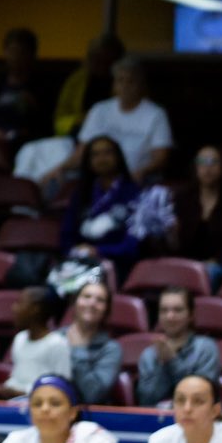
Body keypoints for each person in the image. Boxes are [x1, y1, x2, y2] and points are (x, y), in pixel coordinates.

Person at [69, 57, 173, 185]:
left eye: (131, 81)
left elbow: (161, 158)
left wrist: (142, 172)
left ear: (141, 85)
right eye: (120, 81)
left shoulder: (156, 114)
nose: (125, 86)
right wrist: (57, 170)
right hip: (98, 180)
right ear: (114, 85)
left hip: (138, 180)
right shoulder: (99, 110)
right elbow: (81, 152)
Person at [60, 136, 145, 278]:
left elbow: (133, 245)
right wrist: (74, 252)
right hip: (81, 263)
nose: (102, 158)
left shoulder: (134, 193)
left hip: (119, 265)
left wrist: (98, 250)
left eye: (108, 152)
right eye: (95, 154)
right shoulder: (81, 193)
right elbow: (67, 234)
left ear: (118, 157)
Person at [173, 146, 222, 289]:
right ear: (195, 167)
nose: (208, 167)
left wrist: (217, 260)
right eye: (202, 161)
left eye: (213, 161)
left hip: (221, 263)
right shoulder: (183, 199)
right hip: (187, 262)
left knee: (209, 273)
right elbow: (176, 246)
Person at [138, 286, 222, 408]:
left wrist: (172, 362)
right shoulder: (149, 354)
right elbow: (146, 400)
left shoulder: (206, 348)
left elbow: (198, 396)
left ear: (191, 315)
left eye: (177, 310)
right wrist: (162, 365)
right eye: (164, 310)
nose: (170, 316)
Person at [0, 26, 50, 146]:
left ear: (32, 54)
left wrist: (34, 106)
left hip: (27, 143)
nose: (16, 57)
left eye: (22, 52)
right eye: (12, 51)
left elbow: (47, 125)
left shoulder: (43, 86)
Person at [0, 287, 70, 399]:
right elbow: (18, 376)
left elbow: (62, 387)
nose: (14, 308)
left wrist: (21, 393)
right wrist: (6, 387)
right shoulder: (19, 338)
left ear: (35, 309)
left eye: (20, 303)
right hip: (13, 401)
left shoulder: (58, 344)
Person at [63, 278, 121, 406]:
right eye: (86, 296)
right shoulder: (56, 339)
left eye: (100, 300)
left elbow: (93, 395)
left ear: (106, 309)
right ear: (75, 302)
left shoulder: (111, 349)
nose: (92, 303)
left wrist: (78, 350)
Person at [53, 33, 123, 139]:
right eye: (95, 57)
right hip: (78, 131)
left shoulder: (123, 81)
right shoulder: (77, 80)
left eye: (106, 59)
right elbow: (59, 119)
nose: (100, 63)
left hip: (113, 134)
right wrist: (80, 120)